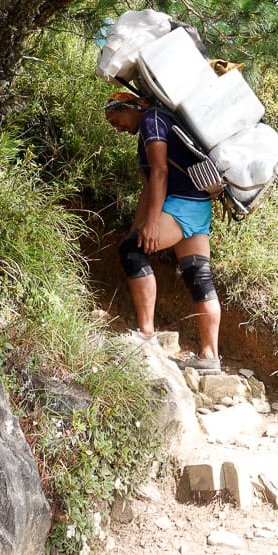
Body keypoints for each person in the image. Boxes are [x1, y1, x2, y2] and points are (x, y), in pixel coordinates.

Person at [104, 91, 221, 371]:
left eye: (115, 118)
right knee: (197, 275)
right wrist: (138, 227)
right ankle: (209, 357)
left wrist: (152, 224)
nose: (116, 127)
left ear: (129, 106)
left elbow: (159, 173)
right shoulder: (152, 127)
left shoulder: (151, 120)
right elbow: (149, 187)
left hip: (182, 203)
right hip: (198, 205)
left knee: (133, 251)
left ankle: (146, 335)